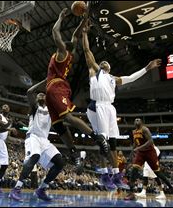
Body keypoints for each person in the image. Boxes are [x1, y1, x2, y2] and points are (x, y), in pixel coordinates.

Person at [82, 25, 162, 190]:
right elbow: (87, 53)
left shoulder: (113, 78)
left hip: (110, 108)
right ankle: (105, 175)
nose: (103, 63)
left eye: (106, 63)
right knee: (103, 142)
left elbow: (132, 78)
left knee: (112, 144)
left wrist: (148, 67)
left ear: (110, 67)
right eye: (101, 62)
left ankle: (117, 175)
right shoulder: (96, 72)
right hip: (97, 105)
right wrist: (84, 34)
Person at [46, 8, 108, 172]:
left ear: (63, 46)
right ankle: (74, 153)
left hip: (57, 86)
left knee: (67, 117)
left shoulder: (62, 53)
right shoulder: (70, 53)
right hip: (51, 88)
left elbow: (54, 31)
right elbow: (75, 35)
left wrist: (60, 17)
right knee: (58, 126)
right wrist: (84, 19)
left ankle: (97, 138)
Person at [9, 80, 64, 201]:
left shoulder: (51, 109)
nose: (40, 95)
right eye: (38, 94)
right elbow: (29, 92)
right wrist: (45, 81)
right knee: (34, 156)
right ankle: (16, 189)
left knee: (60, 163)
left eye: (43, 94)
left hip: (44, 140)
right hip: (33, 136)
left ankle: (41, 189)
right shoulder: (34, 107)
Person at [124, 118, 173, 201]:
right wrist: (132, 151)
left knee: (158, 173)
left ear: (141, 122)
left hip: (150, 152)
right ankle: (131, 193)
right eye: (135, 120)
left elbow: (150, 141)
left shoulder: (145, 129)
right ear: (134, 123)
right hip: (141, 153)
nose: (137, 120)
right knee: (133, 170)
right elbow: (135, 143)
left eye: (139, 119)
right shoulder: (134, 132)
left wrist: (139, 148)